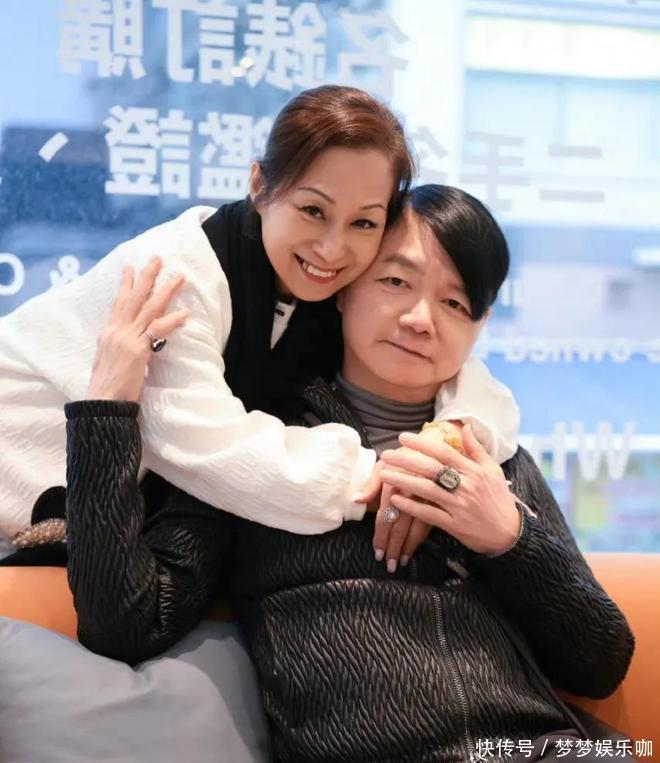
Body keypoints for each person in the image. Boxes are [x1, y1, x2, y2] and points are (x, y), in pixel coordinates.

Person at [63, 185, 634, 762]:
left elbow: (601, 664)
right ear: (345, 287)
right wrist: (106, 409)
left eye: (455, 304)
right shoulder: (257, 445)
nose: (420, 319)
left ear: (479, 324)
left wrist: (508, 538)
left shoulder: (494, 458)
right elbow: (125, 623)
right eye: (396, 282)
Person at [0, 86, 519, 568]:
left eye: (363, 222)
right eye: (313, 210)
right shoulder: (177, 274)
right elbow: (209, 448)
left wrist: (452, 435)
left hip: (85, 531)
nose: (332, 248)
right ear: (259, 186)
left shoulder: (324, 286)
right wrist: (392, 481)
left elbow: (465, 369)